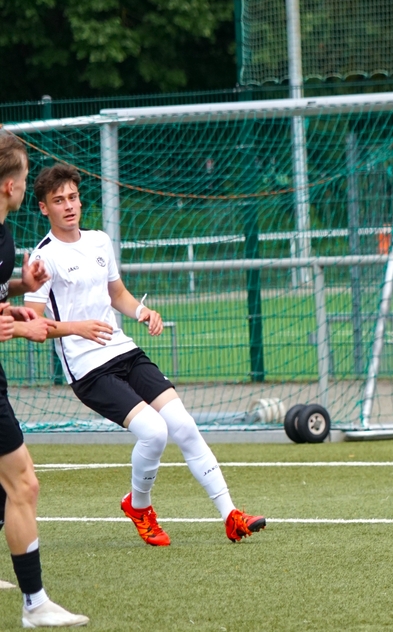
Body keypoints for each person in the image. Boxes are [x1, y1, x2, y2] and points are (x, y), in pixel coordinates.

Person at [24, 163, 266, 545]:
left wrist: (141, 311)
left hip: (123, 350)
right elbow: (32, 324)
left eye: (73, 197)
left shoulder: (99, 241)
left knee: (183, 425)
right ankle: (139, 507)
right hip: (88, 369)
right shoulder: (42, 258)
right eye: (58, 200)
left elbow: (116, 293)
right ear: (43, 208)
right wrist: (76, 327)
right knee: (154, 431)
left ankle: (231, 515)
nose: (68, 206)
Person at [0, 132, 90, 627]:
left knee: (9, 485)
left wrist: (21, 291)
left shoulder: (5, 236)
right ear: (11, 185)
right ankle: (35, 605)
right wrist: (20, 327)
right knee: (24, 484)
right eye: (26, 176)